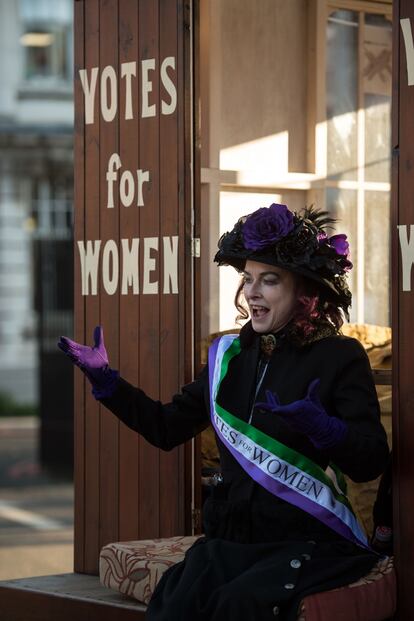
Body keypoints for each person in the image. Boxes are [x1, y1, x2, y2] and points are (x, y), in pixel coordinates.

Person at [58, 203, 389, 621]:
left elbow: (371, 461)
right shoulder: (229, 355)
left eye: (269, 281)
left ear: (304, 292)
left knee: (239, 605)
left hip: (306, 540)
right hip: (230, 541)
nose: (252, 291)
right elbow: (166, 428)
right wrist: (108, 382)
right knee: (175, 603)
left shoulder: (339, 356)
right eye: (248, 279)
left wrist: (323, 429)